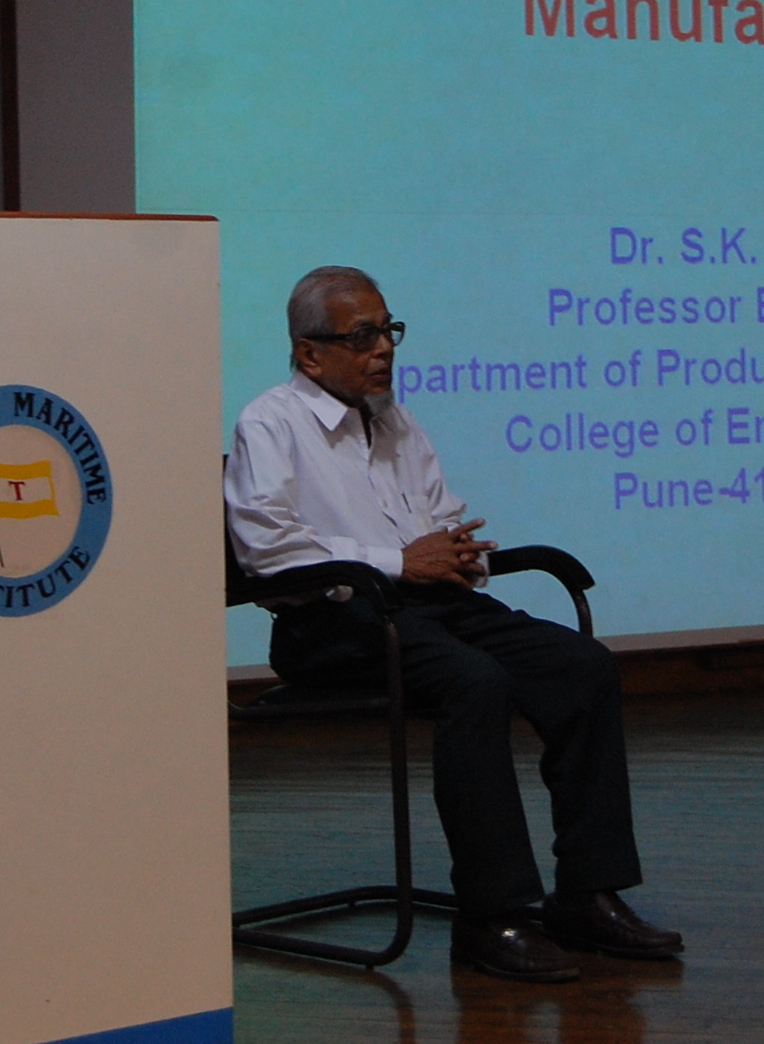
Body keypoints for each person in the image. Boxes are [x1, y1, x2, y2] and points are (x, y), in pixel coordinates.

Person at [225, 265, 681, 983]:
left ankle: (586, 895)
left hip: (430, 605)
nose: (384, 349)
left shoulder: (396, 420)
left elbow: (437, 516)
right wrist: (398, 562)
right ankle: (490, 917)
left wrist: (461, 554)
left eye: (389, 332)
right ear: (310, 354)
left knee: (582, 668)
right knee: (476, 682)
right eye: (363, 337)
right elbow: (268, 551)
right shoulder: (269, 423)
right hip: (332, 621)